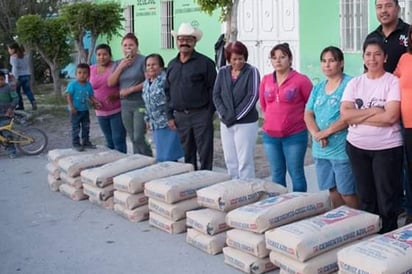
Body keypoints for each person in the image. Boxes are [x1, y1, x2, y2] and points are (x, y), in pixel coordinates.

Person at [341, 38, 403, 233]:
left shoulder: (392, 82)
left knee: (387, 198)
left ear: (385, 57)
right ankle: (370, 238)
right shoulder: (355, 83)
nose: (372, 59)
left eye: (377, 54)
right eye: (368, 54)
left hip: (387, 148)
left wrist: (358, 117)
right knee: (366, 197)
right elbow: (345, 114)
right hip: (357, 147)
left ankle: (389, 236)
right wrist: (376, 110)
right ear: (363, 57)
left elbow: (391, 117)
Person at [304, 46, 358, 209]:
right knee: (333, 189)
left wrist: (325, 133)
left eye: (332, 61)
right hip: (321, 149)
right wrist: (316, 134)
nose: (327, 65)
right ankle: (340, 223)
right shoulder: (318, 87)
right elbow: (308, 113)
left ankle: (359, 224)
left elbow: (348, 116)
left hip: (341, 149)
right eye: (324, 61)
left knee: (347, 191)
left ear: (341, 63)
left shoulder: (350, 84)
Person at [259, 43, 313, 192]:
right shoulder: (266, 80)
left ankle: (299, 207)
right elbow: (264, 105)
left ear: (290, 59)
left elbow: (311, 105)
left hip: (294, 135)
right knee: (276, 173)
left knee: (296, 173)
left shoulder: (301, 80)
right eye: (274, 57)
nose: (278, 61)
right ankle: (280, 209)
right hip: (270, 136)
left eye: (282, 57)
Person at [165, 22, 217, 170]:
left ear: (195, 42)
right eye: (181, 39)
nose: (184, 43)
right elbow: (167, 92)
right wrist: (169, 116)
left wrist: (209, 113)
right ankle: (190, 184)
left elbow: (214, 89)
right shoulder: (172, 65)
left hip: (201, 115)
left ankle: (207, 183)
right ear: (177, 42)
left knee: (205, 153)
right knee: (188, 154)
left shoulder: (205, 63)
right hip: (180, 117)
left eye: (188, 40)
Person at [213, 41, 260, 179]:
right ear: (229, 59)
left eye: (241, 58)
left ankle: (247, 190)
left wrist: (235, 116)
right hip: (226, 122)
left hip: (246, 123)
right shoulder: (222, 72)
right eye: (234, 59)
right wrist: (224, 115)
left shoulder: (252, 71)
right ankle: (234, 189)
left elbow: (252, 96)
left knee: (244, 160)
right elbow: (216, 95)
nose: (238, 62)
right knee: (230, 159)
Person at [107, 33, 152, 156]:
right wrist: (121, 67)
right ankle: (139, 161)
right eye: (125, 45)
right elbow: (110, 82)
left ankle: (149, 158)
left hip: (140, 103)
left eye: (131, 45)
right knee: (132, 137)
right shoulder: (118, 63)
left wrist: (131, 89)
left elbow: (149, 81)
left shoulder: (143, 61)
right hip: (125, 105)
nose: (128, 48)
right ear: (122, 47)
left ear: (136, 47)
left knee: (139, 136)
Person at [142, 54, 183, 162]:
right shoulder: (147, 83)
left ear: (160, 66)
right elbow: (146, 103)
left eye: (154, 64)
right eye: (148, 65)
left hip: (168, 123)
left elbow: (172, 99)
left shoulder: (165, 80)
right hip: (156, 125)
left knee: (170, 155)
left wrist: (172, 118)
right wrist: (147, 119)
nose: (151, 67)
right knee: (161, 156)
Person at [90, 44, 127, 153]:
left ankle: (122, 165)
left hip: (117, 111)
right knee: (109, 141)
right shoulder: (91, 69)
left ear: (110, 55)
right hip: (100, 113)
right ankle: (112, 166)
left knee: (118, 140)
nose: (102, 57)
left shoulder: (115, 67)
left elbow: (125, 85)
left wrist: (116, 95)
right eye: (99, 54)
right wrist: (92, 101)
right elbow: (87, 89)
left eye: (105, 54)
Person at [394, 25, 412, 225]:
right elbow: (393, 82)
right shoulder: (404, 59)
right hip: (408, 125)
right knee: (410, 170)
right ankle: (411, 211)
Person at [365, 0, 409, 73]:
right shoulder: (371, 37)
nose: (383, 10)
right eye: (379, 7)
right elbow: (367, 69)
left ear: (398, 8)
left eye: (388, 6)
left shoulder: (409, 33)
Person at [66, 63, 101, 152]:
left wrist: (96, 102)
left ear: (88, 75)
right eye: (79, 73)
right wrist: (71, 107)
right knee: (76, 128)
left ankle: (86, 142)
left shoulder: (88, 85)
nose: (82, 75)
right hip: (75, 111)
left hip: (85, 110)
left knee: (86, 127)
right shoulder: (73, 84)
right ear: (76, 74)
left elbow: (91, 96)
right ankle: (76, 143)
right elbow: (69, 96)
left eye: (85, 73)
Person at [7, 42, 37, 111]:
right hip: (27, 75)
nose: (8, 51)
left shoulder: (13, 57)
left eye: (9, 49)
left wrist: (15, 78)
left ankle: (21, 106)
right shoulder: (25, 55)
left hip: (18, 76)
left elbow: (15, 68)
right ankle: (33, 101)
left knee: (17, 92)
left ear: (13, 49)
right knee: (28, 90)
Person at [0, 70, 18, 158]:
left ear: (4, 79)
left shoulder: (9, 88)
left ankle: (12, 151)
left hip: (6, 115)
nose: (0, 82)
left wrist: (10, 109)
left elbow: (15, 99)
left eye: (1, 79)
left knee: (7, 134)